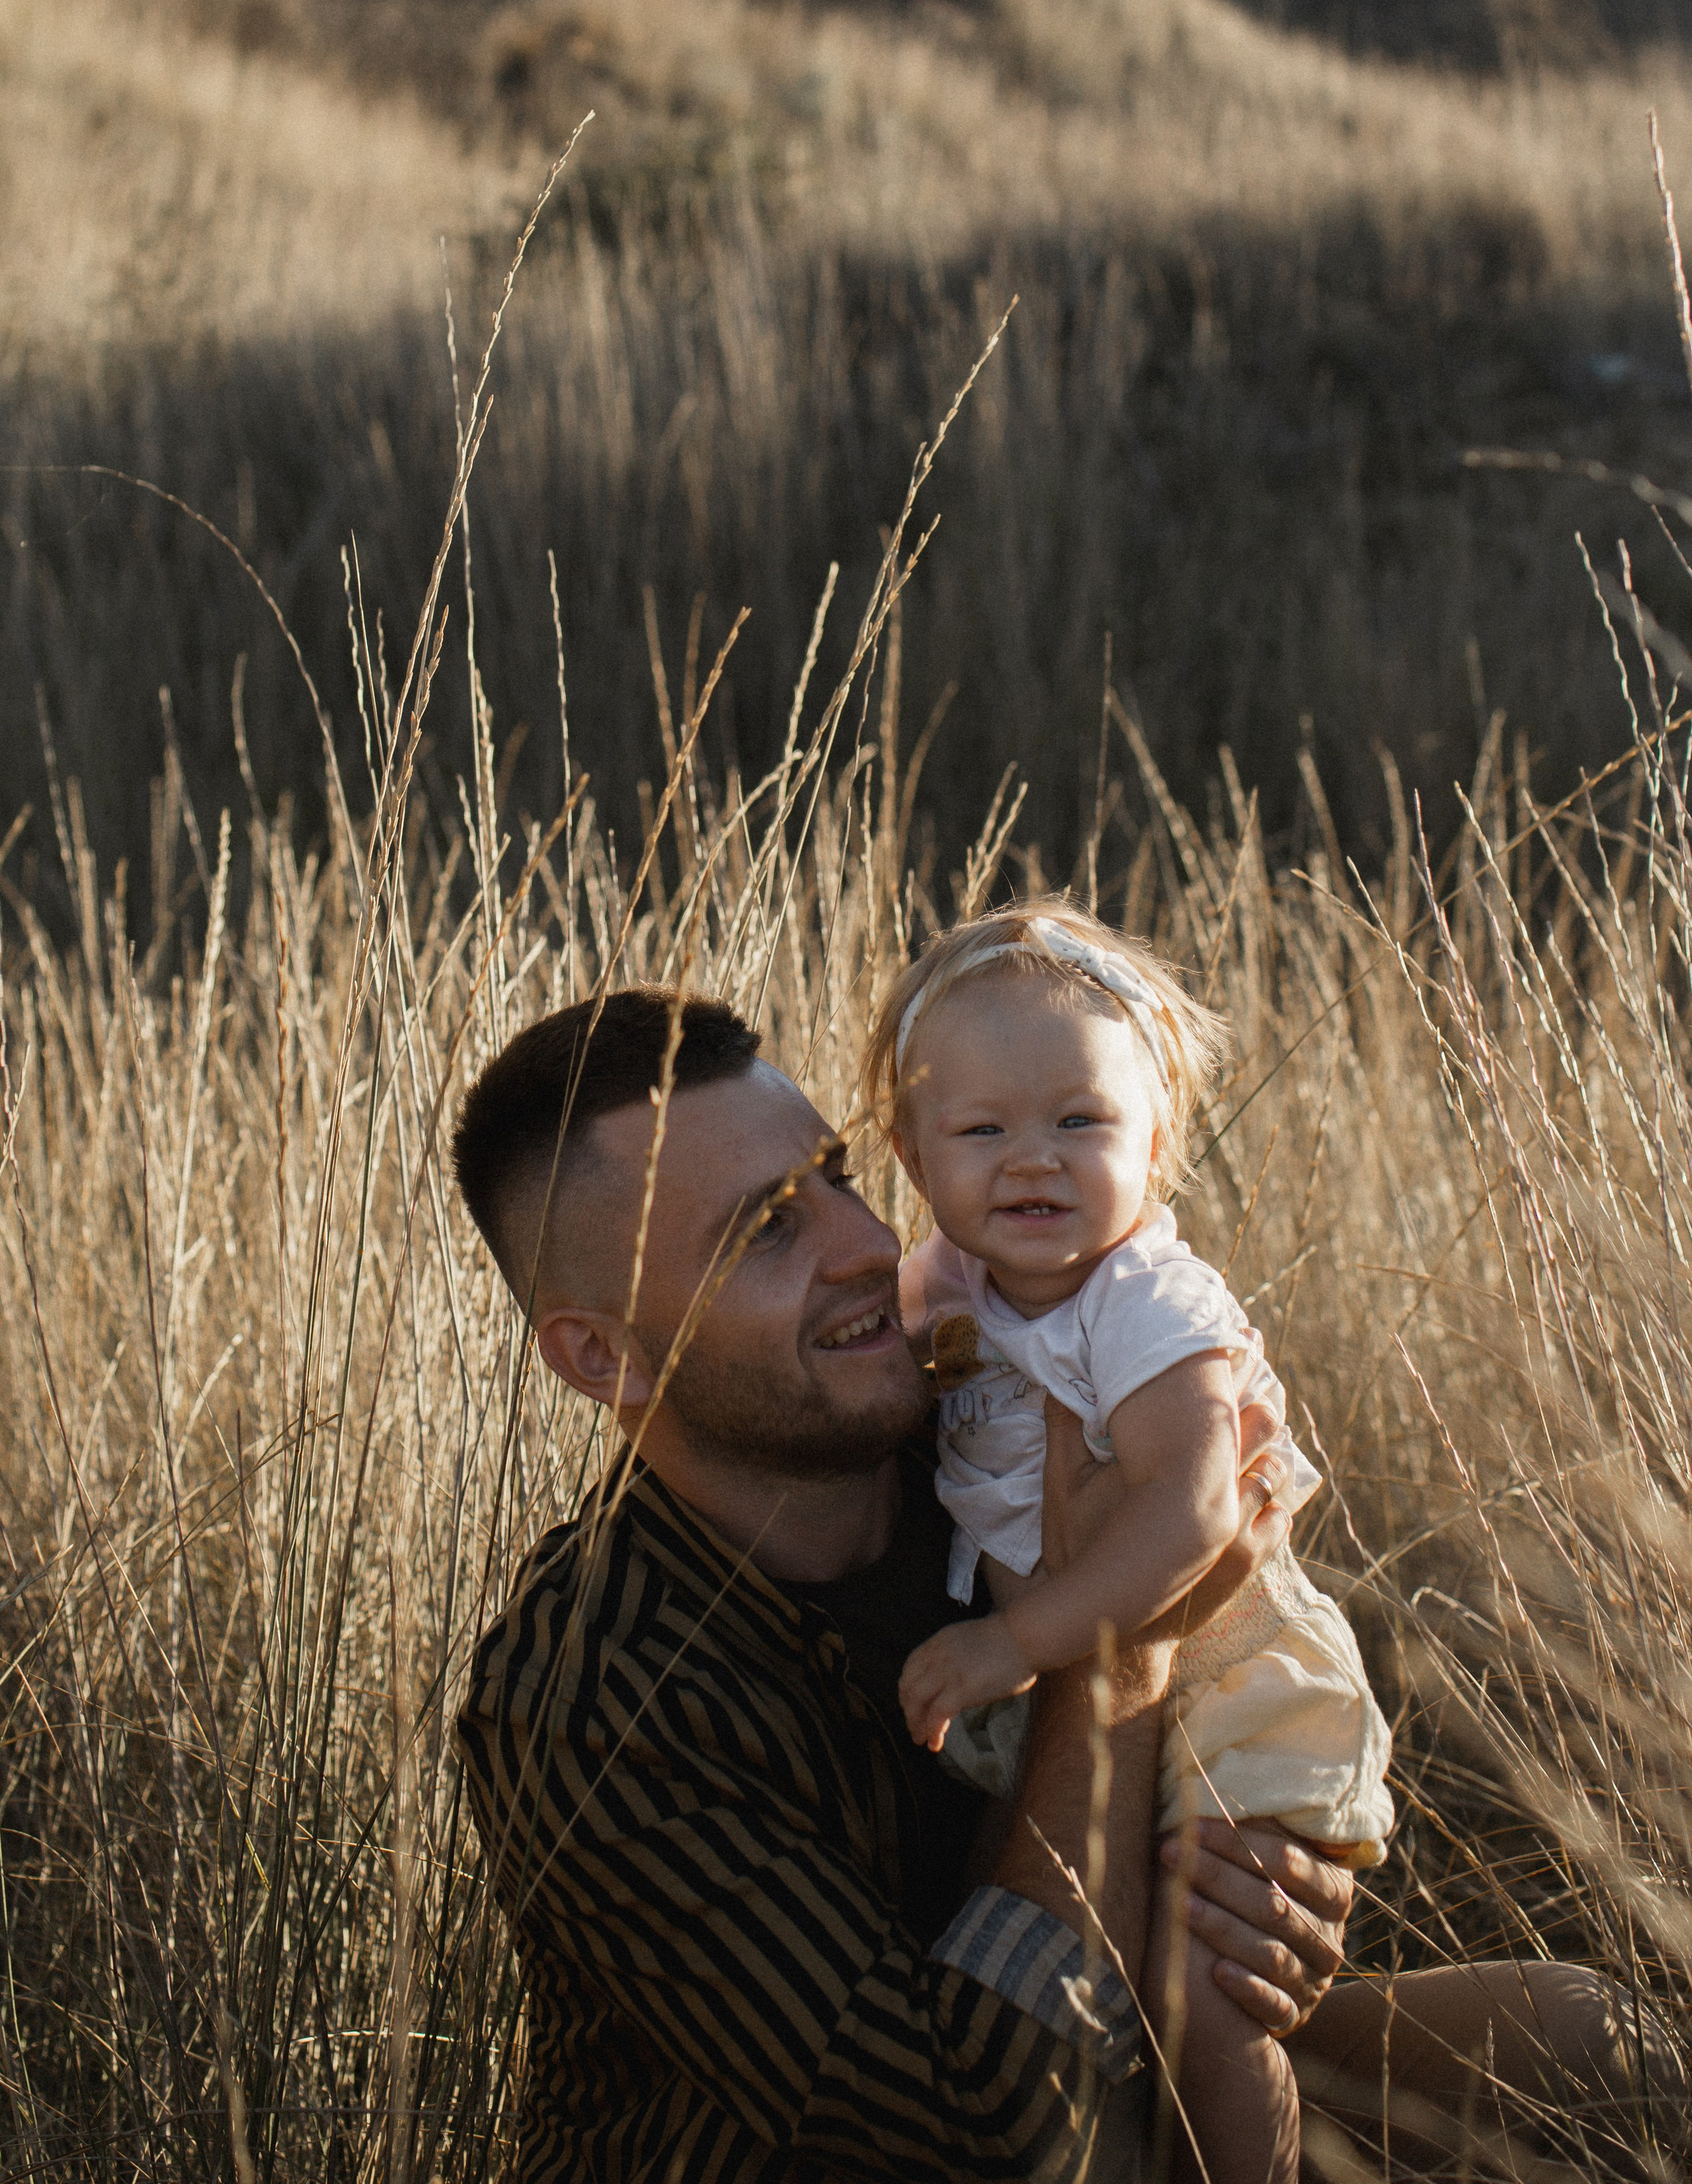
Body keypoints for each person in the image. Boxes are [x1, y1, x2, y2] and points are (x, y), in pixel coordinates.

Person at [452, 985, 1668, 2183]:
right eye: (768, 1229)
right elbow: (976, 2135)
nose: (868, 1246)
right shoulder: (588, 1700)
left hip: (1127, 2062)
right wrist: (1113, 1653)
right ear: (601, 1353)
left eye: (839, 1178)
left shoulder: (982, 1431)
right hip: (952, 2137)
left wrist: (1256, 1894)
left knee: (1592, 2043)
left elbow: (1223, 1595)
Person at [865, 900, 1394, 2184]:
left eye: (1080, 1122)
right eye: (982, 1131)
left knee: (1209, 1990)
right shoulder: (945, 1288)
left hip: (1232, 1674)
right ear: (914, 1157)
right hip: (1076, 1682)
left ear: (1156, 1144)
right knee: (1068, 1964)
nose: (1032, 1162)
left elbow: (1192, 1510)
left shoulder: (1146, 1298)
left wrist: (1014, 1643)